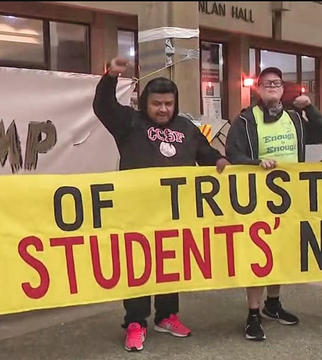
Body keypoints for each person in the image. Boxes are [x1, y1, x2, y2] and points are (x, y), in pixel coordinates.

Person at [93, 57, 230, 352]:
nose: (163, 109)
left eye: (169, 103)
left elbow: (204, 152)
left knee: (170, 264)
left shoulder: (186, 126)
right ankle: (135, 322)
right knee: (139, 267)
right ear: (146, 103)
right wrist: (112, 76)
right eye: (157, 103)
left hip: (174, 213)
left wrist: (218, 160)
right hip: (137, 214)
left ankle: (167, 316)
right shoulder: (129, 122)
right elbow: (103, 107)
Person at [225, 66, 322, 341]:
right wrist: (255, 164)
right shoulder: (246, 121)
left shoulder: (294, 118)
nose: (272, 86)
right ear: (257, 89)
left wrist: (311, 109)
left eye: (277, 83)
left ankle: (273, 303)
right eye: (267, 83)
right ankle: (253, 313)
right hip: (257, 200)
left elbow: (321, 134)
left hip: (289, 200)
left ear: (283, 90)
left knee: (280, 253)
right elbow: (233, 153)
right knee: (259, 256)